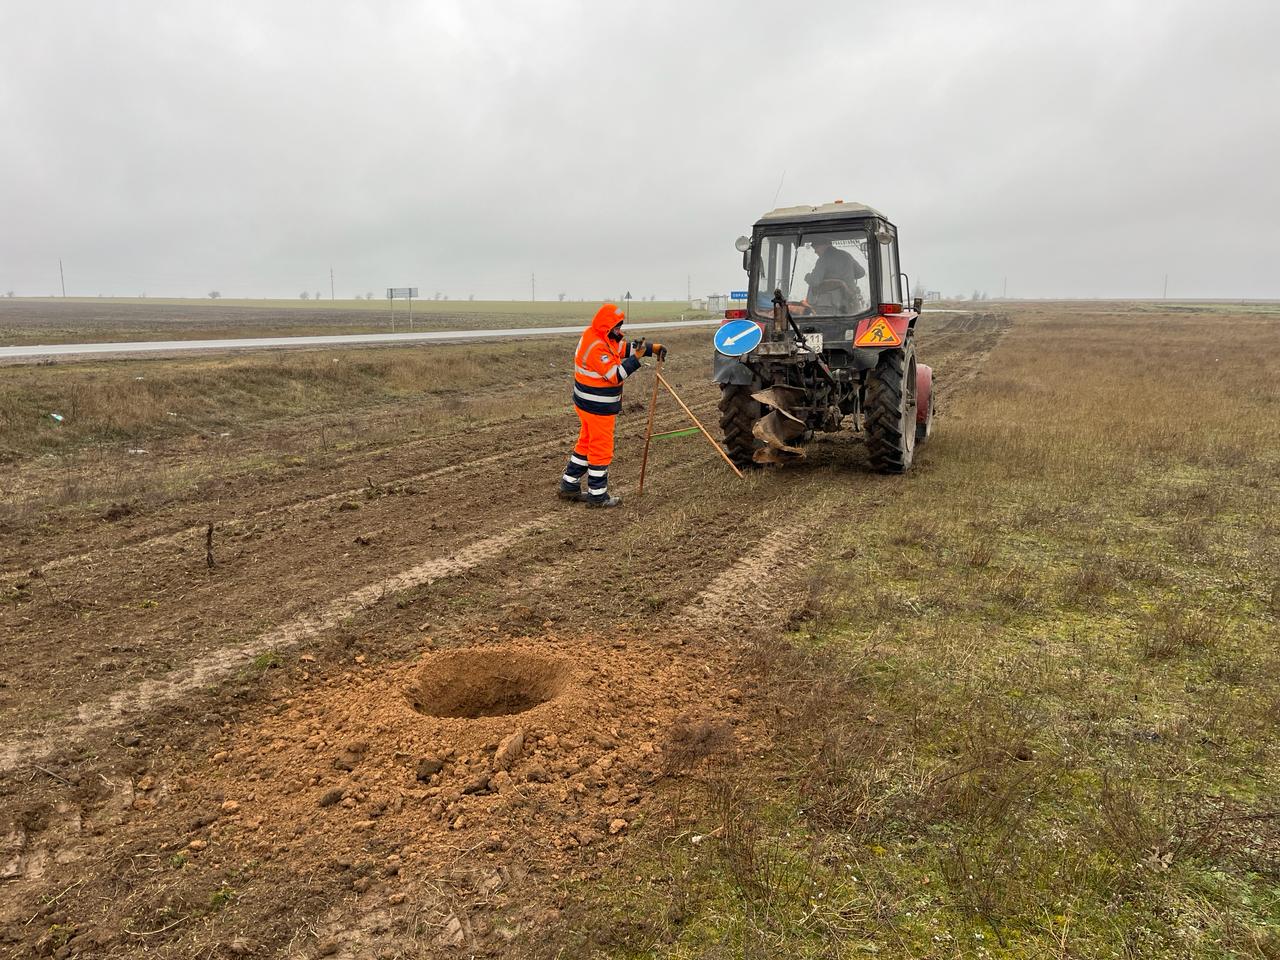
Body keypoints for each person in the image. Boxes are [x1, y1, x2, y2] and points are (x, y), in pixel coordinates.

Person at [558, 303, 666, 508]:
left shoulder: (598, 335)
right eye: (617, 327)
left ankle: (569, 485)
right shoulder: (596, 346)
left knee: (586, 442)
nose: (620, 331)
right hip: (596, 407)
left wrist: (651, 348)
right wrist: (637, 359)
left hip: (587, 403)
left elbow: (619, 347)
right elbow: (615, 376)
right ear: (606, 327)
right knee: (601, 448)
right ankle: (597, 496)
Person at [804, 237, 865, 314]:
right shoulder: (846, 255)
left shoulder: (824, 258)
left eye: (816, 248)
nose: (815, 251)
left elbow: (815, 281)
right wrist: (846, 275)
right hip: (850, 303)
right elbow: (861, 273)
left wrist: (807, 277)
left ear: (825, 245)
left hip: (831, 307)